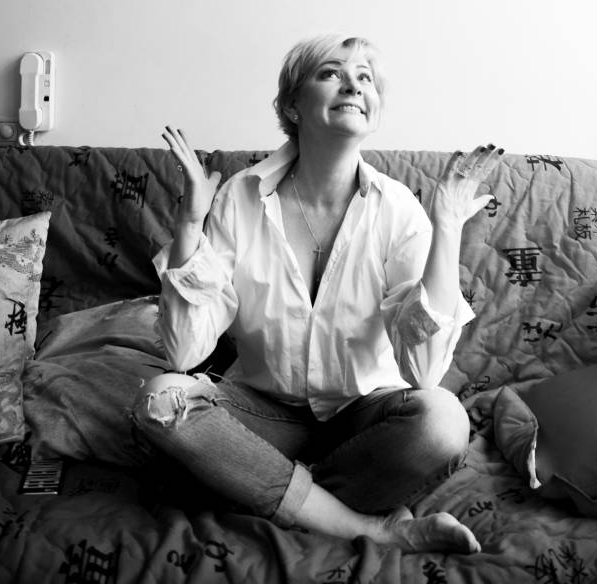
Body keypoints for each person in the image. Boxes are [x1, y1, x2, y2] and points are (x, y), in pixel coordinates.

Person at [132, 34, 503, 554]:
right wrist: (190, 226)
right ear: (292, 105)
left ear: (374, 108)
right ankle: (367, 527)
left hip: (365, 421)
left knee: (442, 422)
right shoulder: (239, 197)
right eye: (331, 73)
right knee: (160, 399)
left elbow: (423, 374)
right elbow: (183, 353)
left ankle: (259, 484)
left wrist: (447, 228)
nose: (353, 84)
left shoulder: (398, 210)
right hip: (264, 416)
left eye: (365, 78)